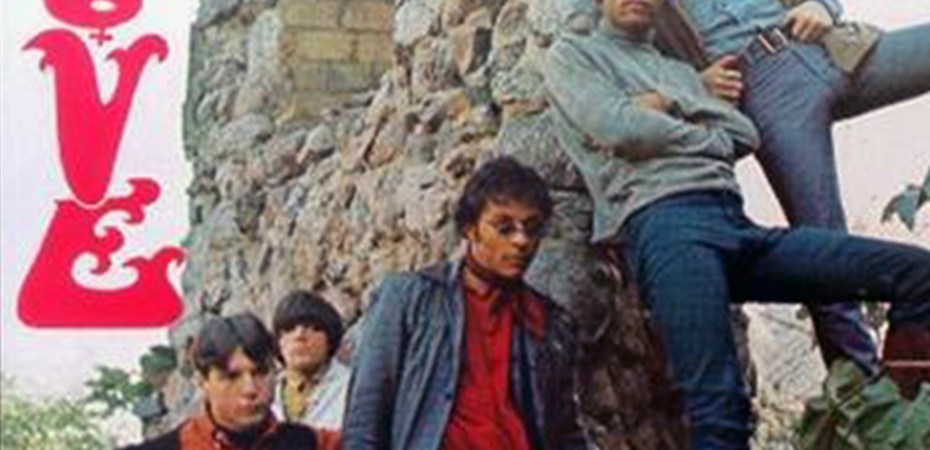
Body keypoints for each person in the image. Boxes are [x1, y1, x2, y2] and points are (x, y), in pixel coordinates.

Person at [543, 0, 930, 448]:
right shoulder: (576, 55)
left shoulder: (674, 69)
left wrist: (665, 106)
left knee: (916, 273)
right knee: (722, 410)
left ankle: (896, 427)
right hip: (670, 223)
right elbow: (621, 128)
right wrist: (692, 112)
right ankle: (862, 422)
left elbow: (740, 133)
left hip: (736, 216)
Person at [652, 0, 930, 376]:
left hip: (828, 50)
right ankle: (867, 398)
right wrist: (693, 85)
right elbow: (617, 54)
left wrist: (822, 5)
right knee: (827, 259)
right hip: (765, 91)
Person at [342, 157, 593, 450]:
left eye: (532, 228)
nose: (521, 241)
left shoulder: (548, 321)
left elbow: (563, 432)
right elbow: (365, 414)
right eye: (504, 228)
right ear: (470, 228)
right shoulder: (409, 298)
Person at [121, 313, 339, 450]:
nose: (250, 389)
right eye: (231, 377)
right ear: (203, 382)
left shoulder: (311, 443)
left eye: (260, 372)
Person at [271, 290, 350, 430]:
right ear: (279, 342)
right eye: (289, 329)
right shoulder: (264, 394)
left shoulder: (352, 387)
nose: (299, 336)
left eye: (312, 328)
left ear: (329, 339)